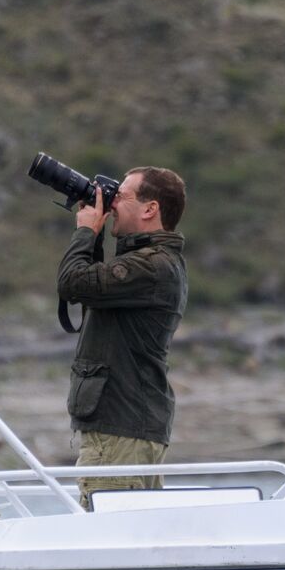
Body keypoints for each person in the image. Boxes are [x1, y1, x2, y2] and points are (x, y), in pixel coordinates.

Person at [57, 166, 187, 509]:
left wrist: (85, 232)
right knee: (135, 533)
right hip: (131, 427)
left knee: (104, 535)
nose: (112, 202)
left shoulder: (151, 266)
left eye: (122, 196)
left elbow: (73, 284)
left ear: (150, 209)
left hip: (119, 432)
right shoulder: (152, 263)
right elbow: (91, 289)